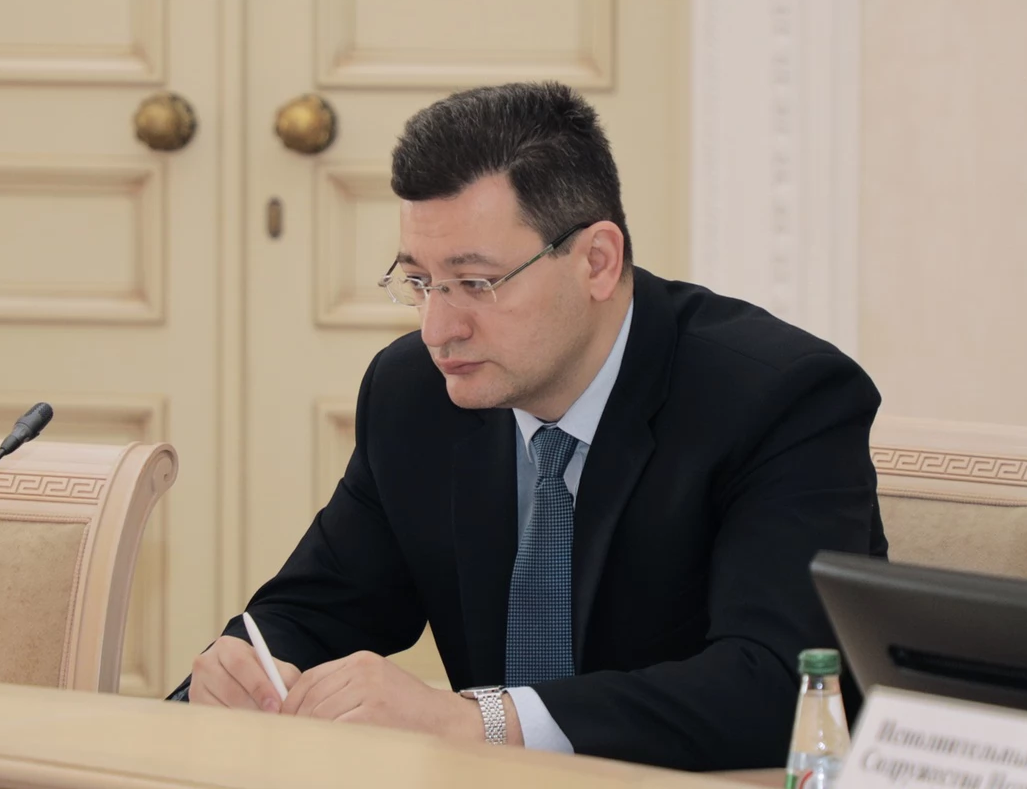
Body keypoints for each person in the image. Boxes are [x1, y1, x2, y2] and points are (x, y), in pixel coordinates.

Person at [166, 81, 887, 772]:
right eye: (419, 282)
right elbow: (320, 608)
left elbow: (782, 686)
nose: (438, 329)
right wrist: (245, 671)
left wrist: (479, 722)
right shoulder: (414, 393)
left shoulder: (778, 398)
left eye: (476, 283)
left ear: (597, 261)